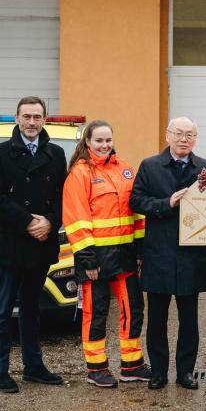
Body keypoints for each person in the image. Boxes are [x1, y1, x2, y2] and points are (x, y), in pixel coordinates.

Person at [0, 96, 67, 393]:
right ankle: (1, 371)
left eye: (37, 117)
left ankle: (33, 367)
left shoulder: (56, 154)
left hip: (40, 244)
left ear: (45, 119)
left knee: (32, 308)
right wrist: (28, 222)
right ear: (16, 118)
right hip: (10, 242)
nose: (32, 122)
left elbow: (62, 197)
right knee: (3, 309)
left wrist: (50, 222)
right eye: (27, 116)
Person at [62, 120, 150, 388]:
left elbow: (136, 212)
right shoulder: (80, 173)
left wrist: (139, 251)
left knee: (133, 308)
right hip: (96, 258)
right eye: (99, 141)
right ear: (87, 142)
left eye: (108, 140)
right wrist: (86, 257)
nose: (104, 145)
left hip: (124, 256)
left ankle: (131, 364)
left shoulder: (124, 169)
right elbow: (76, 219)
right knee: (96, 312)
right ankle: (96, 368)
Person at [129, 117, 206, 390]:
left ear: (195, 139)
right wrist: (167, 203)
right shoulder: (150, 166)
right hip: (159, 254)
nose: (183, 139)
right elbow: (136, 201)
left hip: (193, 255)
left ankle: (186, 372)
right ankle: (159, 372)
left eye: (189, 134)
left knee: (190, 319)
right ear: (167, 136)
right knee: (157, 319)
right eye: (178, 133)